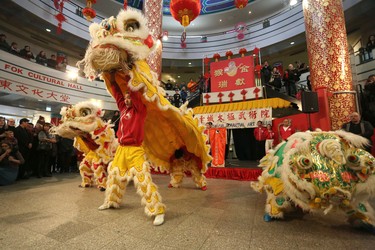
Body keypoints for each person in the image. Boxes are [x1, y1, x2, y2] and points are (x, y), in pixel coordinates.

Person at [99, 72, 166, 226]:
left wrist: (129, 76)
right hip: (121, 149)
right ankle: (111, 201)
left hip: (135, 149)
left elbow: (135, 94)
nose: (127, 99)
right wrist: (112, 79)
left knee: (143, 179)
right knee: (114, 176)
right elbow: (117, 95)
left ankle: (158, 211)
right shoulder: (123, 109)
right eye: (126, 97)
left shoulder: (140, 109)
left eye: (129, 97)